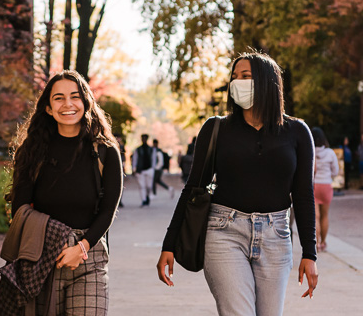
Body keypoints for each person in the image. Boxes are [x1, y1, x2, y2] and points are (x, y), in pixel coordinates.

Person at [156, 51, 318, 316]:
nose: (237, 83)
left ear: (267, 82)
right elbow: (192, 188)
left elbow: (303, 195)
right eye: (234, 77)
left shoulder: (298, 132)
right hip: (224, 232)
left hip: (276, 236)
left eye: (246, 76)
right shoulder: (216, 128)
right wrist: (169, 244)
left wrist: (309, 253)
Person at [7, 70, 124, 315]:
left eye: (75, 97)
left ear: (86, 103)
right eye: (59, 98)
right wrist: (54, 239)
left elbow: (108, 211)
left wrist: (81, 247)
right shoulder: (33, 150)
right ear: (48, 108)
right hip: (41, 256)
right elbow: (20, 207)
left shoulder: (105, 152)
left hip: (88, 256)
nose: (68, 104)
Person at [311, 127, 339, 252]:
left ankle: (316, 243)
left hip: (314, 185)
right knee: (325, 215)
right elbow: (336, 171)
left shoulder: (309, 151)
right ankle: (323, 242)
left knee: (315, 217)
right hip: (326, 185)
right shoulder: (330, 153)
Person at [132, 134, 154, 206]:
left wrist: (153, 169)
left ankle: (147, 196)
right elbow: (135, 159)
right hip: (140, 170)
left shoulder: (151, 149)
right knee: (142, 186)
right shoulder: (138, 149)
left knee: (148, 186)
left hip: (149, 169)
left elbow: (153, 160)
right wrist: (134, 169)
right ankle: (144, 199)